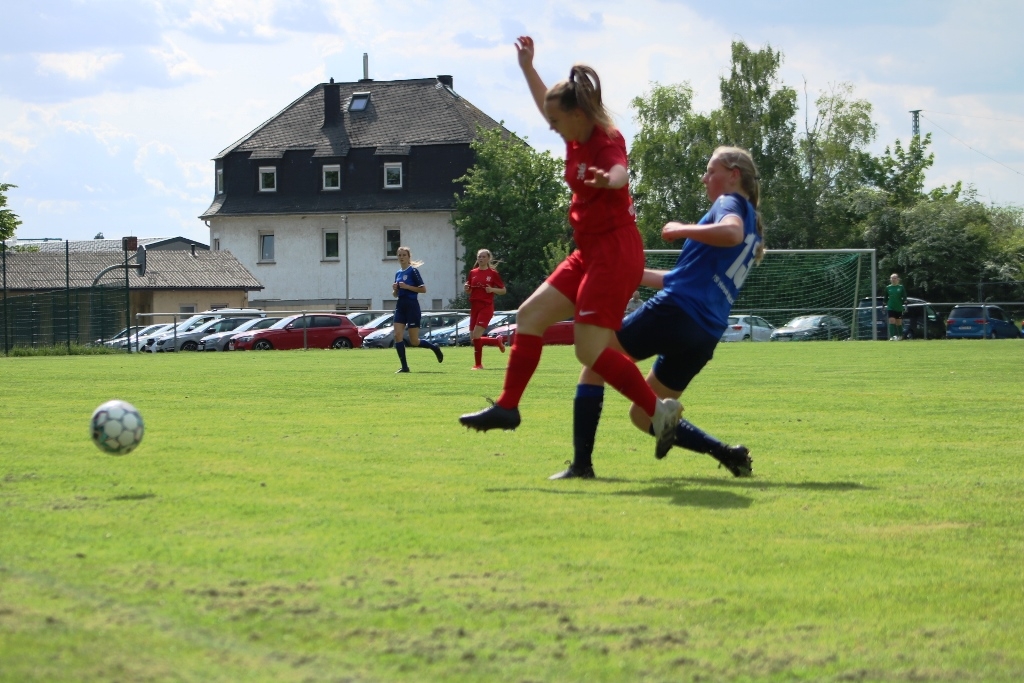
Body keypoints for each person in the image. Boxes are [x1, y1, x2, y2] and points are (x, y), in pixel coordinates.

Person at [459, 36, 682, 459]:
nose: (552, 127)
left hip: (615, 252)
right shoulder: (575, 134)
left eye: (557, 121)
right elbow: (547, 103)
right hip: (589, 252)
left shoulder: (605, 140)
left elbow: (619, 171)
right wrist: (528, 67)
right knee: (529, 316)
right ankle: (507, 407)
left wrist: (608, 181)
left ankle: (659, 411)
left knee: (588, 349)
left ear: (578, 115)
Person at [550, 147, 763, 480]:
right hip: (704, 334)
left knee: (594, 360)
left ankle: (581, 466)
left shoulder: (729, 203)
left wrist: (681, 229)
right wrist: (625, 270)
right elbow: (679, 278)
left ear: (734, 175)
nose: (704, 178)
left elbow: (730, 232)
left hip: (676, 312)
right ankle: (726, 453)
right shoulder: (753, 225)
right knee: (643, 414)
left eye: (711, 171)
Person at [392, 246, 444, 373]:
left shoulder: (413, 271)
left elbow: (423, 289)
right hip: (400, 305)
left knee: (414, 341)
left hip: (412, 306)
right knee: (397, 335)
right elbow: (395, 295)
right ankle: (405, 367)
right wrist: (395, 290)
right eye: (399, 255)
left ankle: (434, 348)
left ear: (409, 257)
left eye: (404, 255)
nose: (401, 257)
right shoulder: (398, 273)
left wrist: (407, 287)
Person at [464, 248, 507, 369]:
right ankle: (496, 341)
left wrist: (492, 289)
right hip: (474, 307)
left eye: (483, 257)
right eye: (479, 257)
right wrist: (466, 288)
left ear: (488, 259)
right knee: (473, 339)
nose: (481, 259)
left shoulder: (493, 273)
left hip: (486, 307)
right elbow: (469, 290)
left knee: (476, 335)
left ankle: (478, 365)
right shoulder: (473, 272)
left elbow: (503, 290)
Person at [885, 273, 907, 340]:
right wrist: (884, 303)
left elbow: (904, 296)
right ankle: (892, 336)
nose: (893, 279)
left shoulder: (901, 287)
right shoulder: (888, 287)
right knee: (892, 321)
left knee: (898, 322)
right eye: (892, 278)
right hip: (890, 307)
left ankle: (900, 336)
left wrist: (905, 302)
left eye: (895, 278)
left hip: (899, 307)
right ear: (890, 279)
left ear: (898, 279)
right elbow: (886, 297)